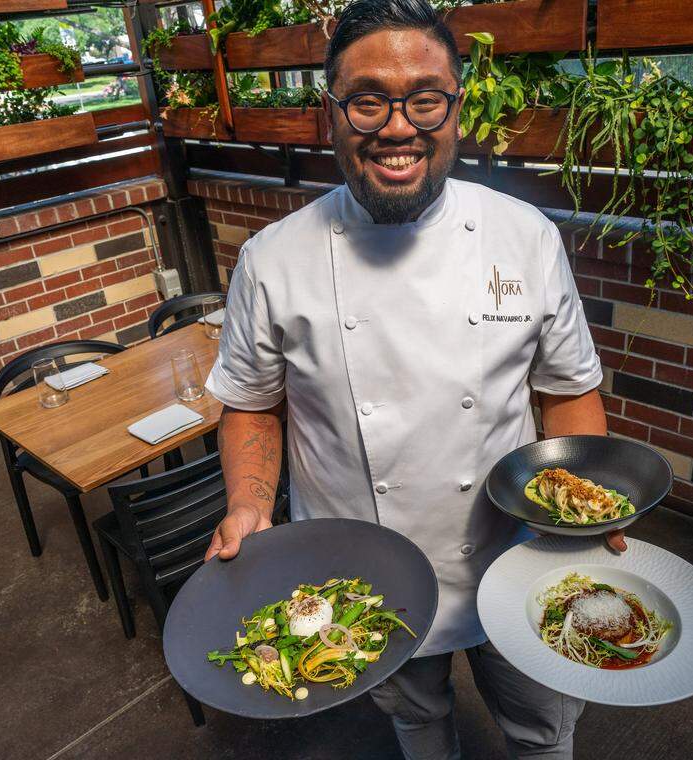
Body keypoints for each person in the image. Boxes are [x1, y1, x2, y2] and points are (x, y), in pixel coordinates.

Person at [202, 1, 622, 756]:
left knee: (544, 729)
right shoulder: (272, 259)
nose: (398, 128)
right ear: (330, 113)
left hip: (517, 552)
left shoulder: (525, 237)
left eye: (425, 99)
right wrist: (249, 505)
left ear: (456, 108)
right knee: (417, 724)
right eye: (367, 101)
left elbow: (566, 390)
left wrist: (584, 507)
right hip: (362, 572)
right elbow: (252, 404)